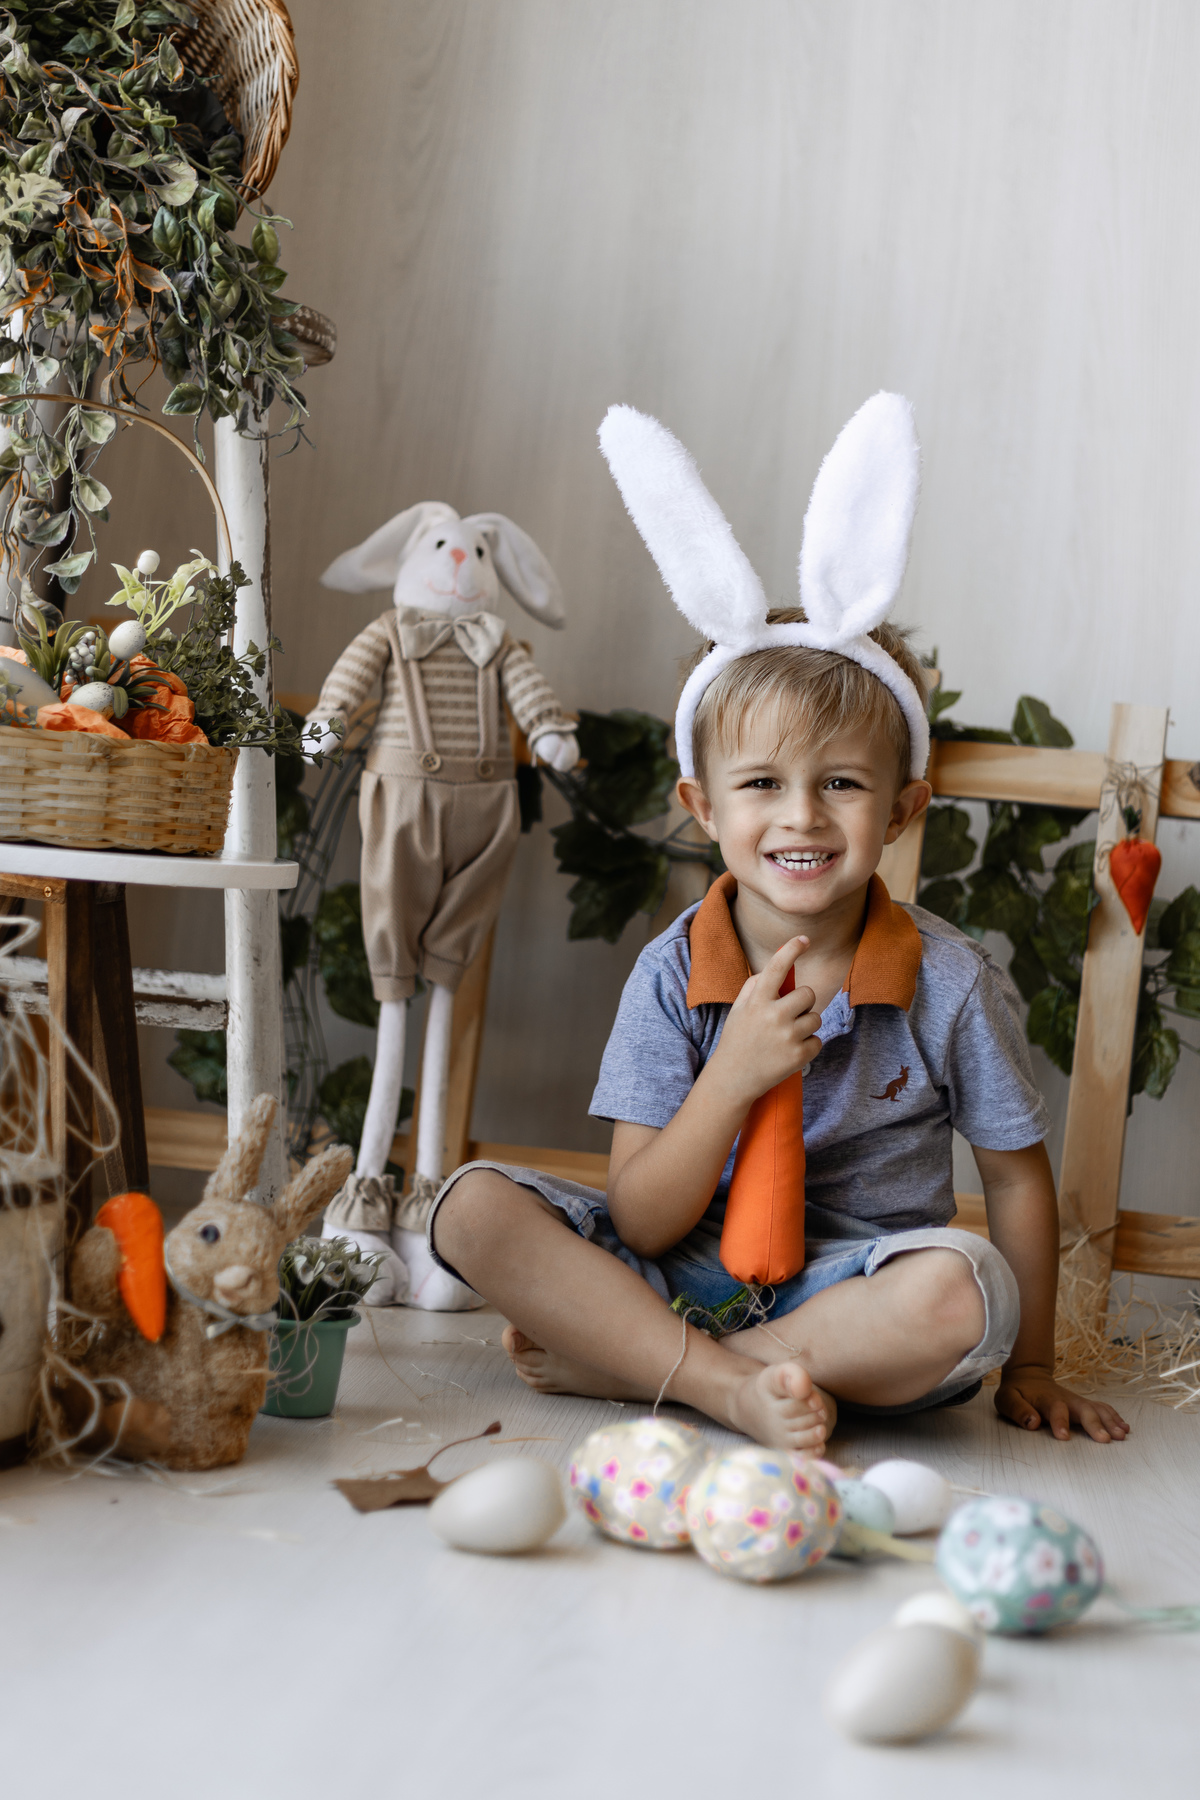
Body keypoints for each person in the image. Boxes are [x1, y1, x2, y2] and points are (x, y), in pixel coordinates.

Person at [425, 396, 1130, 1454]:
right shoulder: (672, 974)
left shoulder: (950, 981)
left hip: (853, 1295)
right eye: (761, 783)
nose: (801, 816)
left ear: (902, 810)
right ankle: (717, 1379)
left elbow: (1014, 1177)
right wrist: (732, 1076)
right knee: (469, 1207)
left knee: (962, 1290)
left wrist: (1030, 1367)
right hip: (676, 1268)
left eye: (841, 782)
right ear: (704, 808)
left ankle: (658, 1370)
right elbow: (643, 1218)